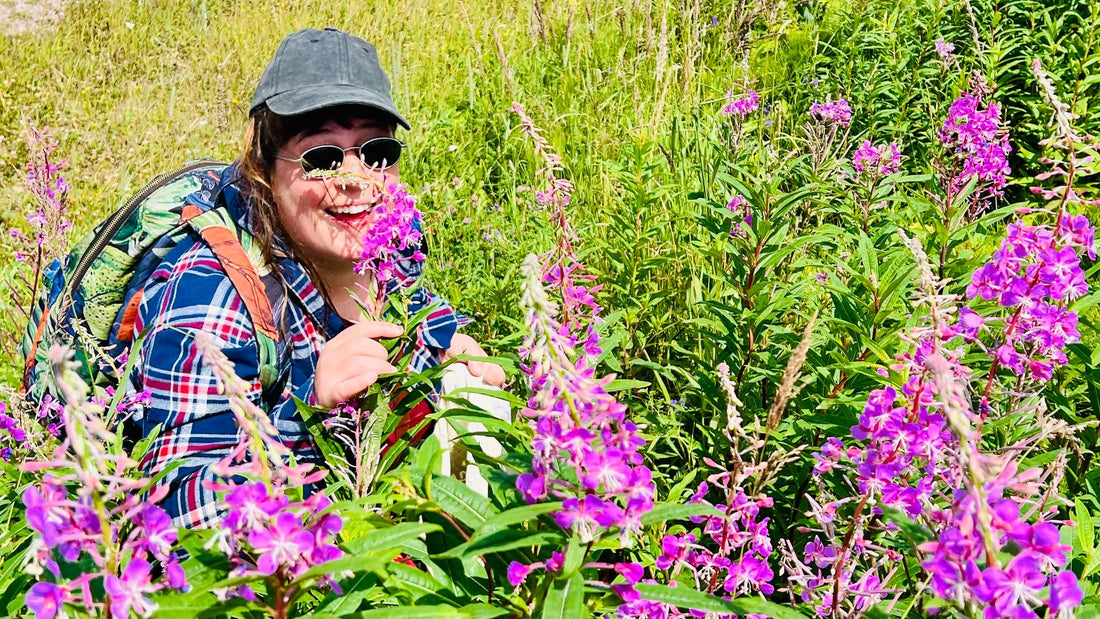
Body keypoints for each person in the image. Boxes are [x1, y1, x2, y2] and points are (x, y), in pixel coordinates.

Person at [125, 27, 504, 528]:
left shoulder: (390, 231)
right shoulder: (212, 294)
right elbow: (183, 511)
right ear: (265, 169)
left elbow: (416, 300)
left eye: (377, 152)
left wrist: (449, 343)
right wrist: (309, 414)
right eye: (321, 158)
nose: (355, 179)